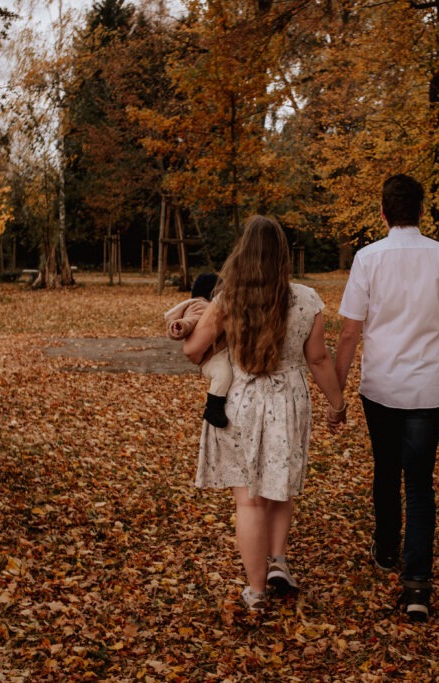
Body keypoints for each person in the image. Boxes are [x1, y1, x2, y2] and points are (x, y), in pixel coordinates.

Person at [183, 215, 347, 612]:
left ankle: (256, 591)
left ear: (243, 253)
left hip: (240, 400)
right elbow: (318, 359)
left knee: (249, 501)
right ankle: (277, 560)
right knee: (279, 487)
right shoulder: (307, 300)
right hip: (287, 400)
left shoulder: (228, 300)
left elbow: (193, 350)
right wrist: (337, 403)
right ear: (283, 256)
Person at [335, 173, 439, 622]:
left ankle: (385, 549)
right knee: (419, 482)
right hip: (428, 389)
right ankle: (417, 584)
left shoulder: (367, 259)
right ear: (421, 211)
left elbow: (350, 333)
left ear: (383, 213)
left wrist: (336, 390)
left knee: (386, 468)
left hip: (380, 387)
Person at [164, 273, 231, 428]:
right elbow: (192, 319)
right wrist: (181, 326)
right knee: (223, 374)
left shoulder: (203, 305)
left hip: (215, 353)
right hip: (211, 358)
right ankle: (213, 408)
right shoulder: (201, 306)